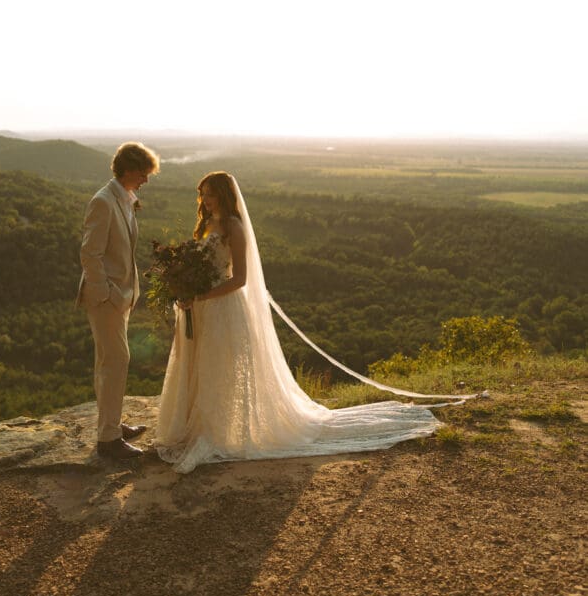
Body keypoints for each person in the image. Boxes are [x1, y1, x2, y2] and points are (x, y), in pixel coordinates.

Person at [156, 172, 443, 474]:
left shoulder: (234, 227)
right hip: (200, 308)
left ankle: (215, 432)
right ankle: (197, 425)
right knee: (200, 367)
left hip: (222, 308)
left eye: (211, 193)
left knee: (218, 368)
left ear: (225, 194)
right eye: (202, 193)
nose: (205, 199)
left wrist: (202, 295)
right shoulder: (205, 224)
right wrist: (185, 289)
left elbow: (240, 279)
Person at [77, 141, 160, 460]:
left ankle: (110, 425)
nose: (146, 180)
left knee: (108, 363)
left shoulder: (123, 198)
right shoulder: (102, 201)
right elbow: (89, 254)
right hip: (106, 298)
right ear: (127, 170)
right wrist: (107, 294)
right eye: (143, 173)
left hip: (121, 296)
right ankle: (108, 441)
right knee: (117, 361)